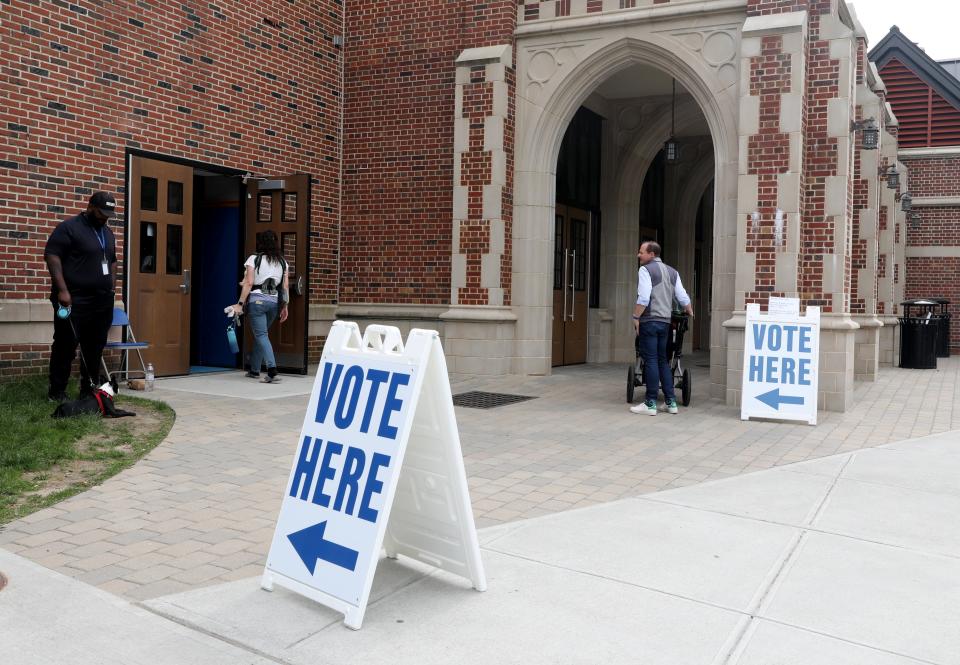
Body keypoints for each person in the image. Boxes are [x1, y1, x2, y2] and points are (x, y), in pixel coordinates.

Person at [44, 192, 119, 402]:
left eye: (108, 214)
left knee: (94, 346)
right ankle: (57, 391)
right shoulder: (69, 228)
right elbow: (52, 255)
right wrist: (63, 290)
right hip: (73, 299)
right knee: (65, 345)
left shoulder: (107, 232)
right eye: (101, 213)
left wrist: (112, 286)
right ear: (90, 207)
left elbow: (112, 260)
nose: (105, 217)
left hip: (102, 301)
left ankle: (88, 390)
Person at [629, 241, 694, 416]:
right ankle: (671, 402)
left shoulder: (645, 270)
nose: (638, 255)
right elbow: (681, 295)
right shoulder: (673, 272)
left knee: (649, 360)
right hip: (665, 321)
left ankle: (650, 403)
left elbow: (643, 297)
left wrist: (636, 317)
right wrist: (689, 309)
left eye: (641, 252)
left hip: (649, 320)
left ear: (651, 254)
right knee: (662, 360)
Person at [230, 230, 289, 383]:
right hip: (274, 303)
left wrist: (240, 304)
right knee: (261, 335)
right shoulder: (282, 262)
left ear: (260, 242)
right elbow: (285, 287)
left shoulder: (253, 259)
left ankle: (272, 371)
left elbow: (249, 283)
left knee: (261, 335)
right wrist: (285, 307)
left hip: (257, 302)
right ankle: (255, 370)